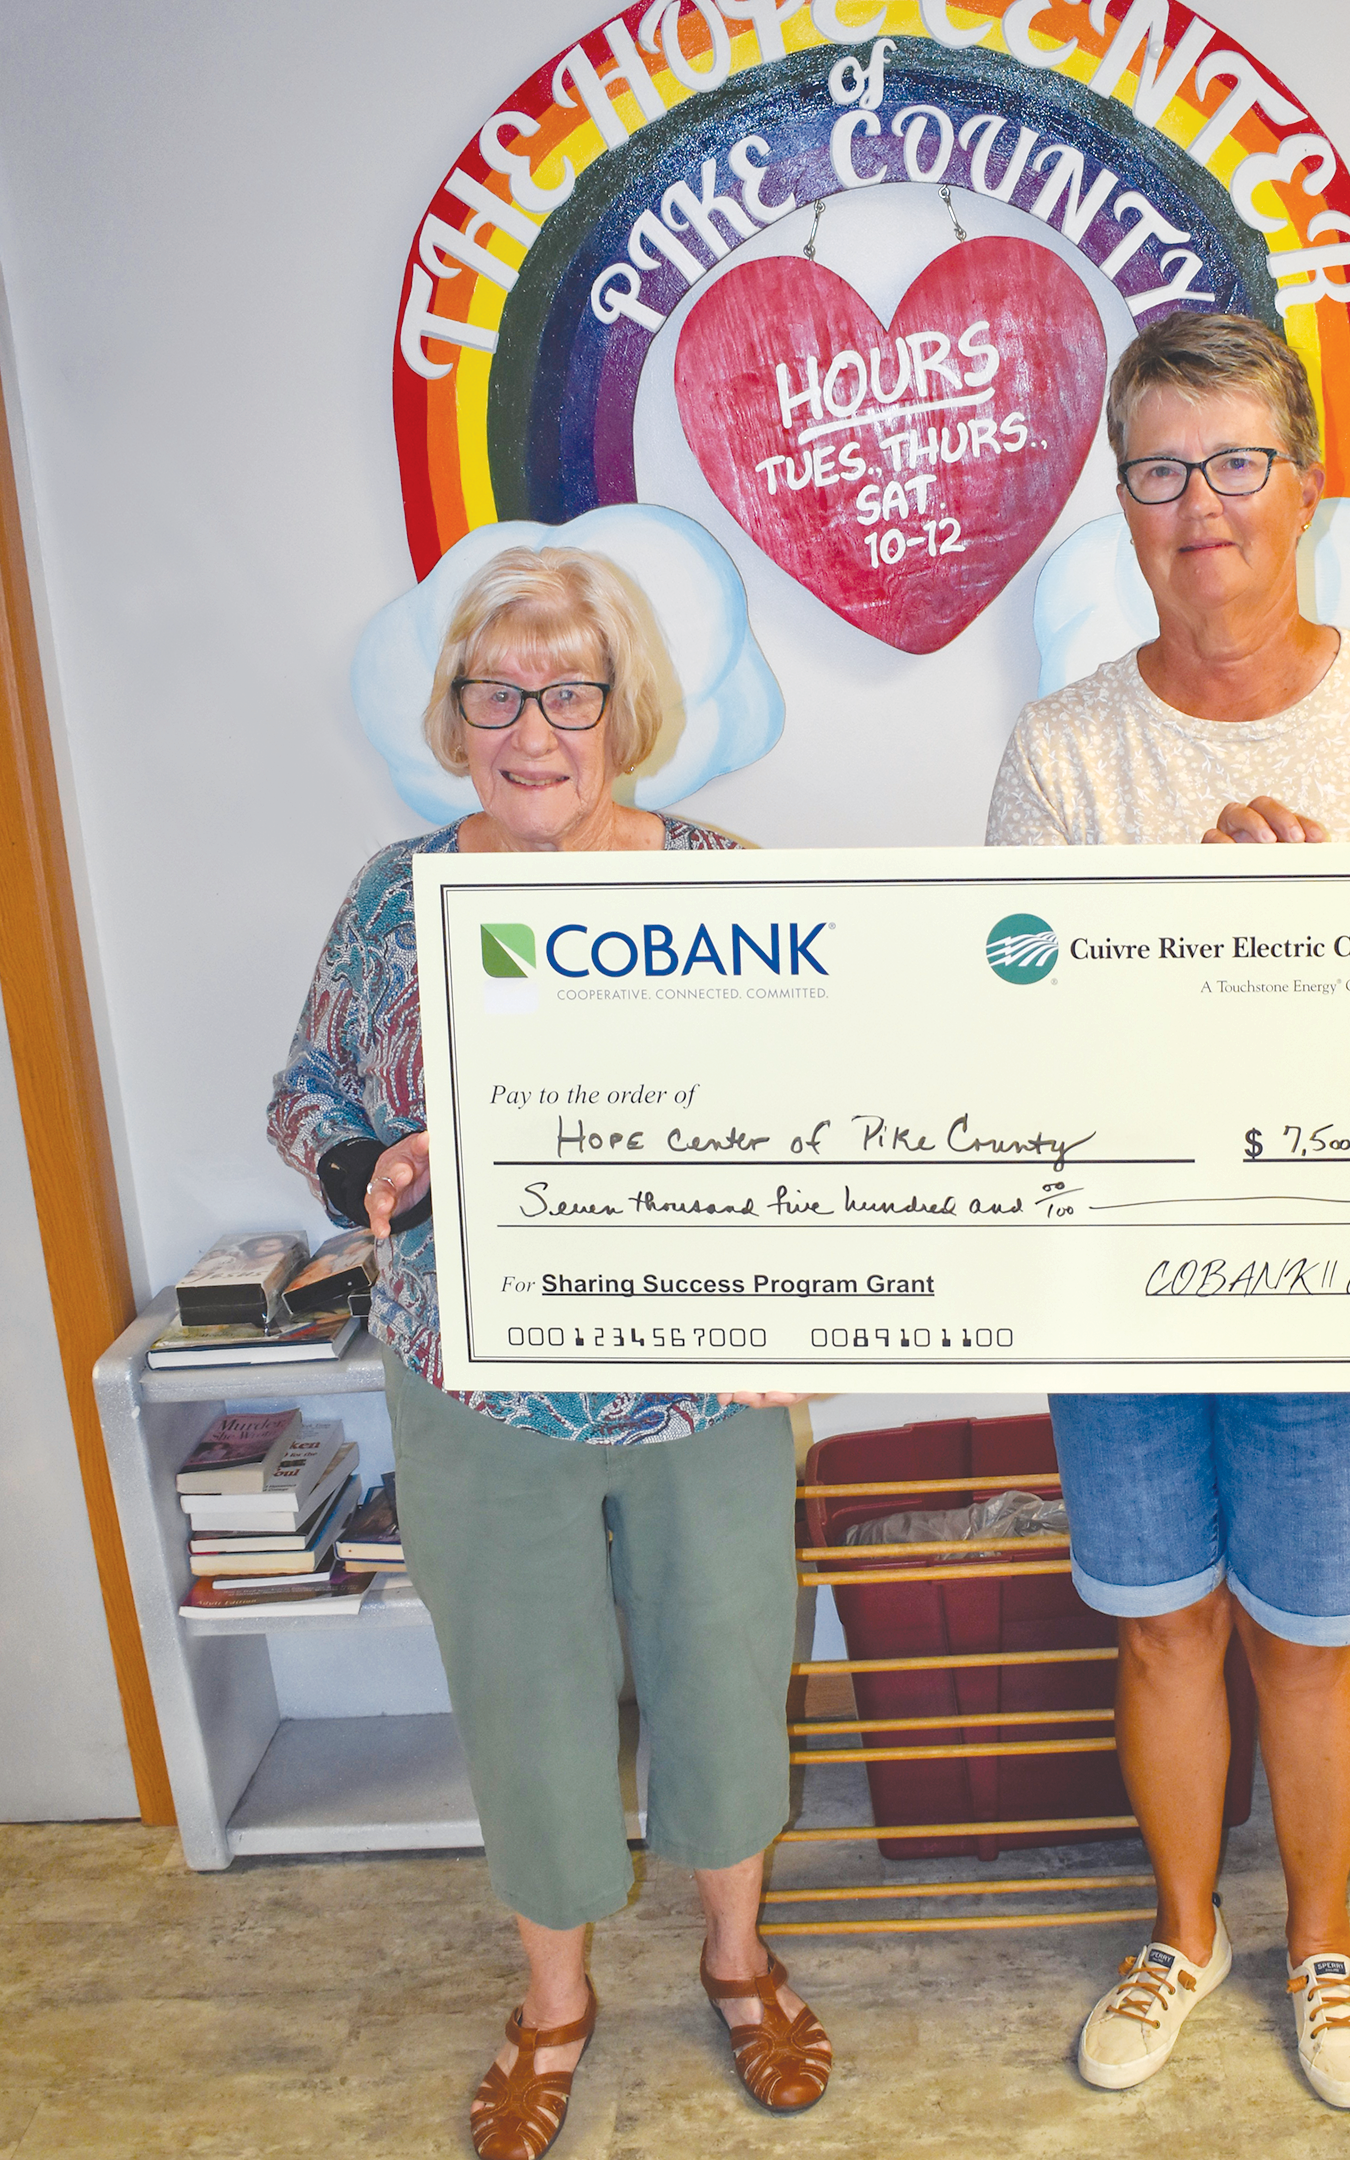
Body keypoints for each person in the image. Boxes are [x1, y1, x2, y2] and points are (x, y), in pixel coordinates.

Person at [986, 311, 1350, 2111]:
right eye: (1159, 468)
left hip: (1335, 1268)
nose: (1199, 503)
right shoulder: (1063, 752)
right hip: (1126, 1276)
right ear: (1122, 502)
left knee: (1313, 1633)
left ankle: (1324, 1946)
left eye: (1236, 461)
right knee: (1161, 1622)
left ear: (1305, 484)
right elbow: (1014, 1030)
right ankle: (1186, 1928)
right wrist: (1185, 923)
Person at [269, 545, 830, 2158]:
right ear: (454, 720)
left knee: (727, 1669)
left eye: (567, 690)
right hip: (473, 1374)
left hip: (700, 1373)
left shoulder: (727, 881)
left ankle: (737, 1960)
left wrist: (826, 1286)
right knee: (525, 1691)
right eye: (495, 694)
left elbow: (826, 1107)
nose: (533, 727)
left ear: (621, 710)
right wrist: (349, 1171)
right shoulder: (396, 895)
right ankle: (556, 2000)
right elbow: (308, 1087)